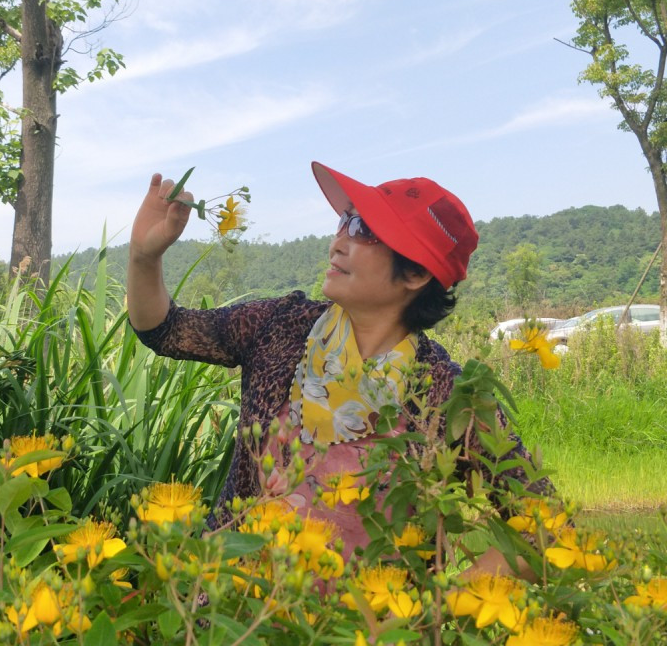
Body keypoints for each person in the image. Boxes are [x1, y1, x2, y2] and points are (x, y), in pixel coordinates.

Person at [127, 162, 548, 576]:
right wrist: (144, 258)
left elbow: (545, 529)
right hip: (236, 604)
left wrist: (439, 606)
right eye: (345, 220)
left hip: (359, 616)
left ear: (417, 272)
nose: (338, 242)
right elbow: (166, 330)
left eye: (363, 229)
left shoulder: (444, 393)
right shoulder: (282, 326)